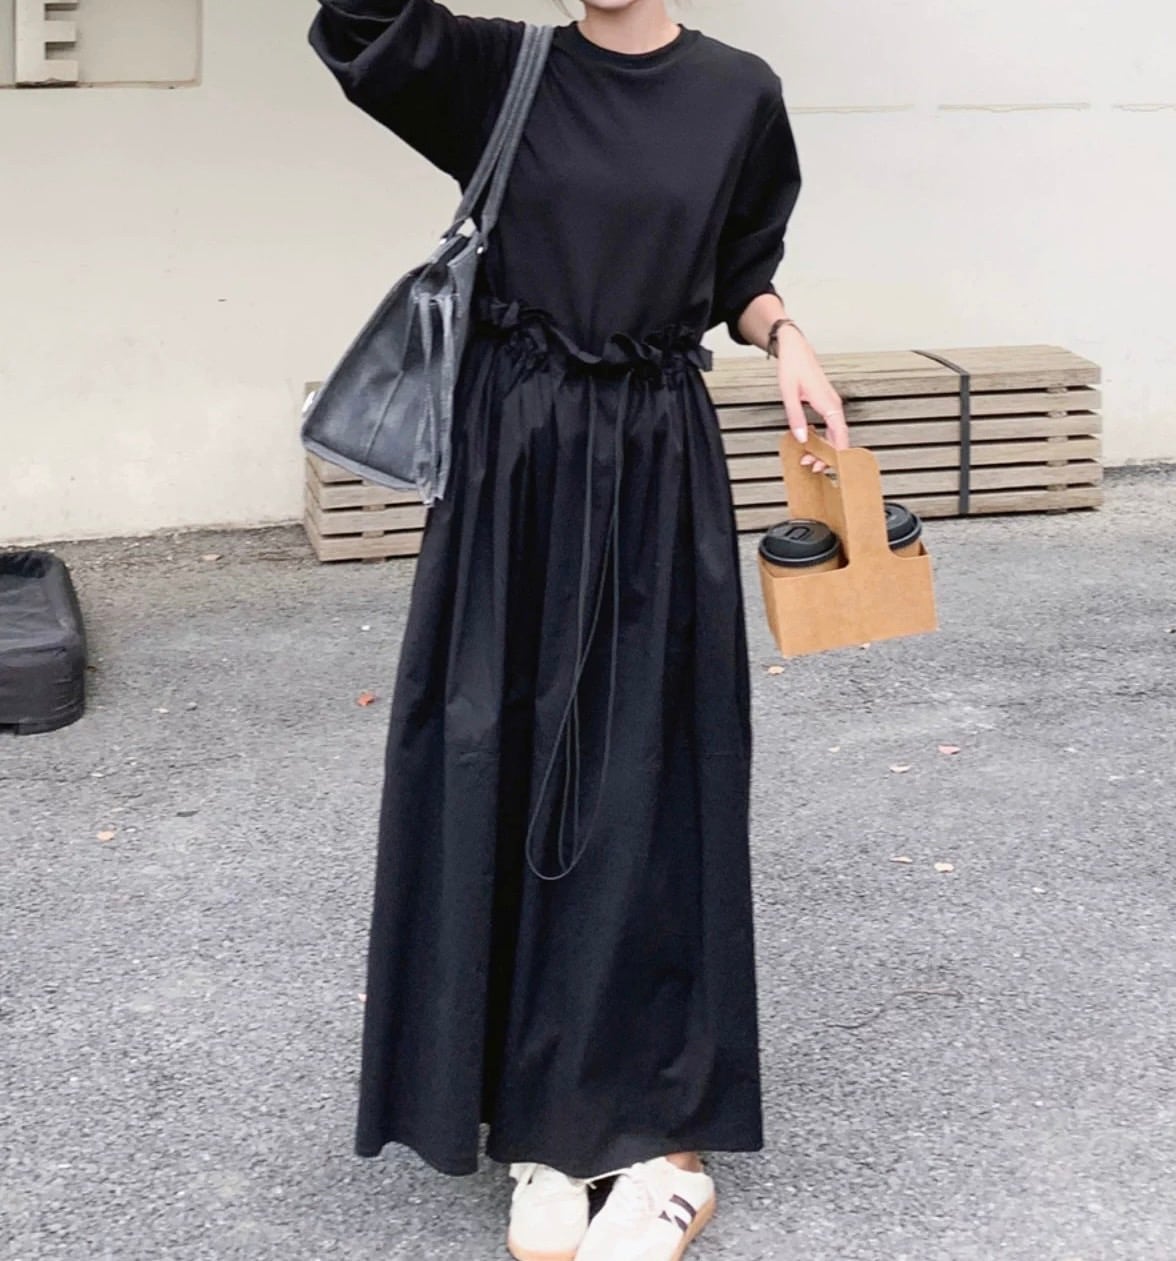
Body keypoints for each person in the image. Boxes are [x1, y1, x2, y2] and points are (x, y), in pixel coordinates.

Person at [309, 1, 850, 1257]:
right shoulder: (501, 68)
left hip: (655, 462)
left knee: (651, 780)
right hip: (514, 470)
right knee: (495, 758)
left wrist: (787, 338)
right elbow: (364, 24)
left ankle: (665, 1143)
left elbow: (740, 268)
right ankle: (541, 1123)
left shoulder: (739, 92)